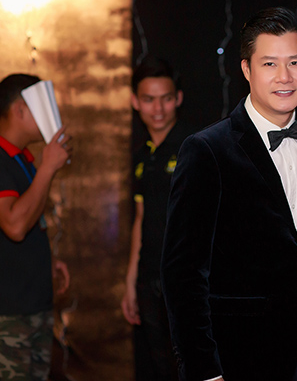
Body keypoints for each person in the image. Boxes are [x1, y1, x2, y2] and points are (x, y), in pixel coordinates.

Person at [161, 7, 297, 381]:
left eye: (295, 62)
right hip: (239, 352)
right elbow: (183, 273)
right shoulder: (207, 150)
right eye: (269, 64)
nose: (284, 76)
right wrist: (204, 369)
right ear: (246, 69)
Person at [0, 73, 71, 380]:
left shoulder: (21, 159)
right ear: (20, 109)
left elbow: (30, 218)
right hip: (7, 314)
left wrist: (47, 260)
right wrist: (47, 167)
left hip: (33, 306)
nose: (51, 115)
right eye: (43, 106)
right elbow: (14, 225)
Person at [121, 56, 189, 380]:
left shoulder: (195, 147)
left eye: (165, 98)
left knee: (190, 363)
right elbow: (140, 217)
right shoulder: (141, 156)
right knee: (158, 365)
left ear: (178, 98)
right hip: (149, 276)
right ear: (135, 101)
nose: (158, 109)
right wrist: (130, 282)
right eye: (148, 99)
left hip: (186, 279)